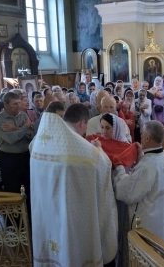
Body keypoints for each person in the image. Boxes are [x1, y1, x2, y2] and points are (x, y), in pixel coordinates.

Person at [30, 104, 118, 266]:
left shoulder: (41, 141)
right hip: (70, 213)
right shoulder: (78, 145)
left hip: (46, 210)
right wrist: (98, 150)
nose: (84, 133)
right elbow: (103, 164)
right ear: (82, 123)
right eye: (85, 128)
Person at [113, 120, 164, 263]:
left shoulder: (147, 165)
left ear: (146, 138)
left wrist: (120, 169)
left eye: (142, 134)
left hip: (146, 220)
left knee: (144, 256)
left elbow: (126, 192)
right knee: (158, 251)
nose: (140, 137)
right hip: (161, 214)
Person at [0, 92, 34, 200]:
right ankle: (14, 217)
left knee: (29, 187)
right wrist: (25, 127)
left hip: (26, 156)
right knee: (12, 190)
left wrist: (15, 128)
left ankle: (29, 215)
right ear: (6, 104)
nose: (18, 106)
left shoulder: (23, 115)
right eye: (15, 104)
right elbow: (11, 139)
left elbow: (32, 136)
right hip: (10, 159)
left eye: (19, 103)